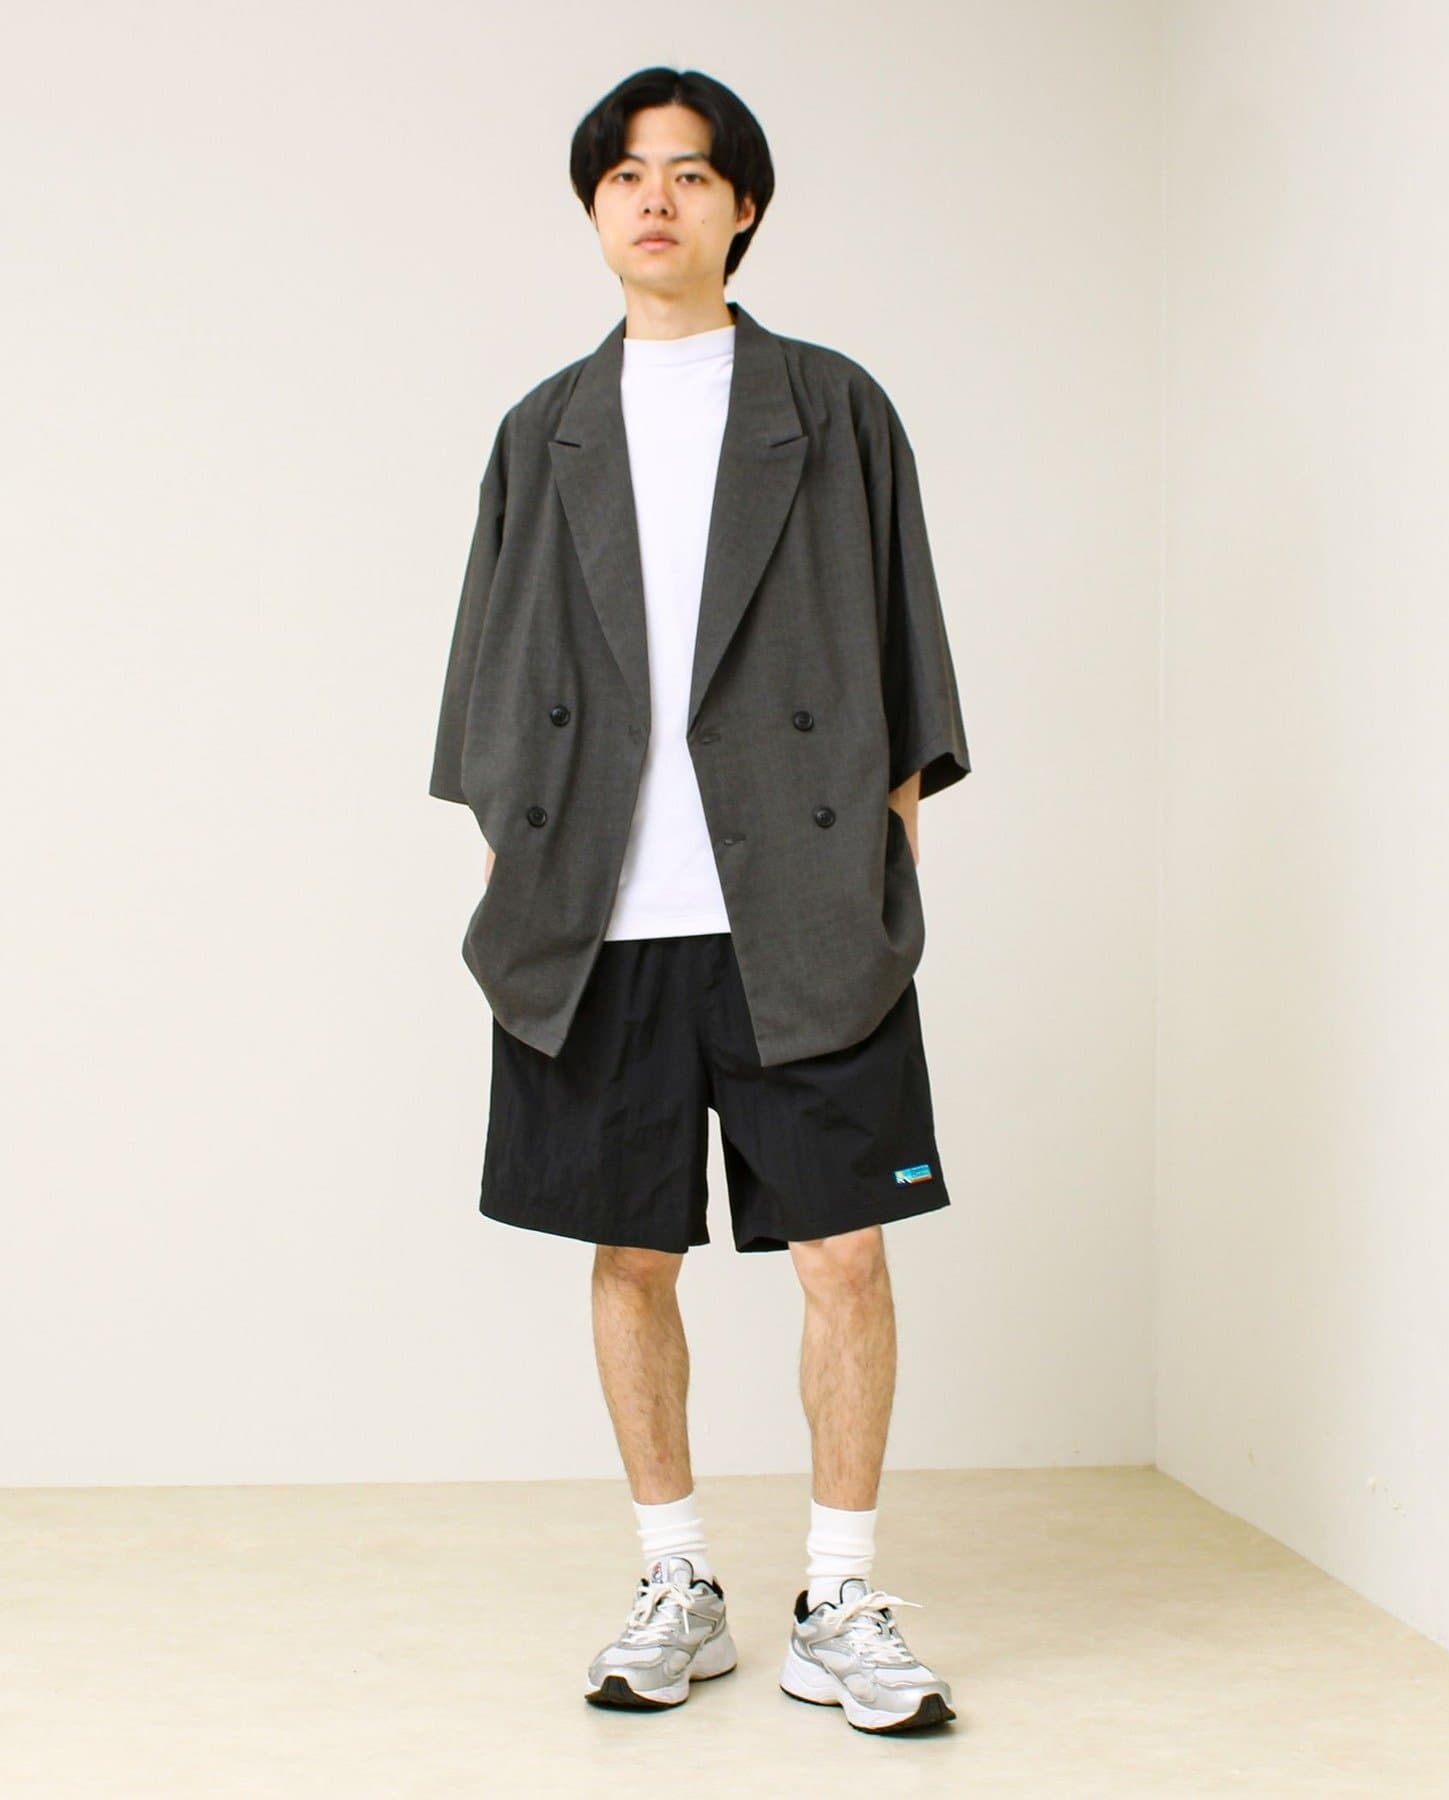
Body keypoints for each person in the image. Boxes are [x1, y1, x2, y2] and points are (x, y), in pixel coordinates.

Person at [429, 66, 971, 1735]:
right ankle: (677, 1580)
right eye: (626, 174)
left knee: (846, 1253)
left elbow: (905, 649)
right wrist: (520, 855)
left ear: (745, 207)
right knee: (629, 1253)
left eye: (689, 172)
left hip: (798, 902)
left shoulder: (834, 407)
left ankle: (842, 1597)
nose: (655, 197)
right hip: (602, 912)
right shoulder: (544, 430)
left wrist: (881, 858)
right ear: (597, 208)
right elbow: (487, 671)